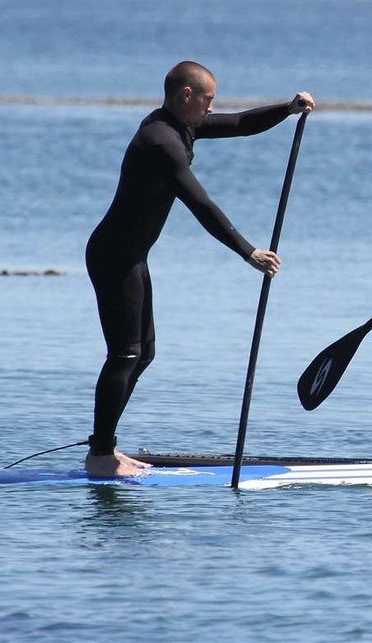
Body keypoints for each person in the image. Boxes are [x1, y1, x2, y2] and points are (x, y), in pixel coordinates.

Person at [85, 61, 315, 478]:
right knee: (125, 353)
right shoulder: (160, 141)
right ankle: (100, 455)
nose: (212, 109)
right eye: (208, 100)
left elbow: (241, 123)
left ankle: (105, 447)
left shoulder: (178, 126)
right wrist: (248, 252)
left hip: (131, 256)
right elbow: (201, 204)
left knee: (143, 354)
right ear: (186, 96)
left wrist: (288, 108)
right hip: (114, 257)